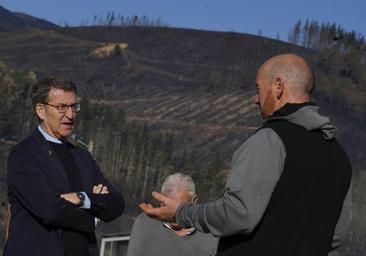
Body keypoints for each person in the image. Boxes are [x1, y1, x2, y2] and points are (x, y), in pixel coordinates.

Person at [140, 54, 352, 256]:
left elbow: (237, 215)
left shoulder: (270, 140)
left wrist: (182, 213)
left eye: (259, 89)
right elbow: (337, 234)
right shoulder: (338, 155)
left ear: (278, 87)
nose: (255, 99)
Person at [6, 77, 125, 256]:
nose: (70, 115)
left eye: (73, 107)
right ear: (41, 110)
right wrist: (93, 215)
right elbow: (51, 210)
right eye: (61, 107)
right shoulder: (24, 155)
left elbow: (116, 203)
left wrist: (81, 198)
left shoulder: (82, 157)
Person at [127, 173, 218, 256]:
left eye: (180, 208)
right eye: (166, 205)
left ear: (194, 201)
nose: (173, 212)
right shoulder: (146, 223)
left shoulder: (211, 232)